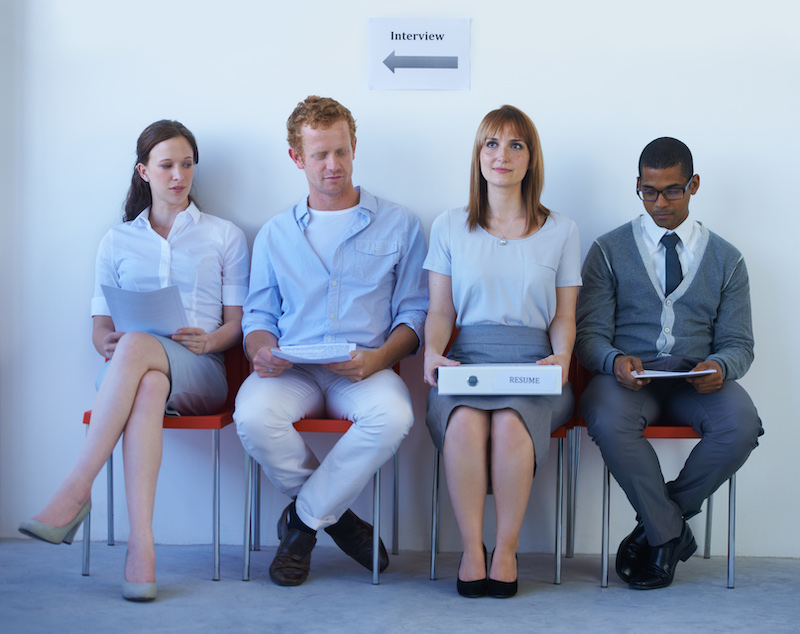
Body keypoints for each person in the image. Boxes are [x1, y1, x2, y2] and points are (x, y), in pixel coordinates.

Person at [18, 120, 250, 602]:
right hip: (133, 374)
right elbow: (100, 328)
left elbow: (237, 325)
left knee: (139, 350)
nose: (178, 175)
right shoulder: (116, 240)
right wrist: (107, 343)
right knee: (146, 379)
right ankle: (141, 549)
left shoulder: (224, 235)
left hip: (200, 371)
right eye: (166, 166)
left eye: (186, 164)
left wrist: (210, 340)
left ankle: (75, 491)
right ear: (144, 171)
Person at [234, 96, 428, 587]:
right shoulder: (275, 233)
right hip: (292, 370)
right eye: (319, 154)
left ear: (354, 146)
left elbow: (414, 315)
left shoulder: (401, 224)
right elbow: (258, 316)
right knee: (252, 416)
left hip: (363, 368)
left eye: (341, 151)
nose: (332, 164)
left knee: (393, 415)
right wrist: (261, 349)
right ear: (297, 157)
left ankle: (300, 527)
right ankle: (338, 521)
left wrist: (379, 359)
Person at [576, 137, 762, 590]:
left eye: (673, 191)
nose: (660, 203)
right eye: (649, 192)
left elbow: (739, 343)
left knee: (741, 425)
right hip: (626, 380)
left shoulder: (727, 259)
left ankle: (659, 527)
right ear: (638, 186)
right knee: (606, 418)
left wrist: (720, 366)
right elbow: (588, 337)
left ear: (693, 185)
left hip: (694, 382)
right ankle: (669, 535)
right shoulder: (608, 250)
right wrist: (614, 361)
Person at [423, 105, 581, 598]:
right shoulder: (449, 225)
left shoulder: (562, 230)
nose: (502, 155)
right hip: (468, 360)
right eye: (492, 143)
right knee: (465, 422)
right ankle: (473, 550)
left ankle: (506, 550)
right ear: (478, 154)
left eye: (516, 145)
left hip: (535, 363)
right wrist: (432, 353)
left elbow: (564, 316)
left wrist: (562, 359)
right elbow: (441, 310)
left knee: (512, 423)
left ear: (531, 158)